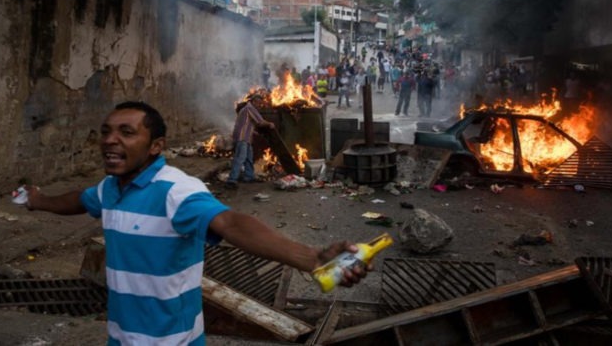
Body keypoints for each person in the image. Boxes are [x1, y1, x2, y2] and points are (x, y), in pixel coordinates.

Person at [23, 101, 368, 345]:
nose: (110, 140)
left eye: (126, 132)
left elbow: (232, 223)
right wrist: (38, 201)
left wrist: (310, 258)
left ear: (156, 146)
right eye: (106, 132)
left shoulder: (176, 191)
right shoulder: (110, 189)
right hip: (121, 337)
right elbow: (80, 200)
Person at [227, 94, 274, 188]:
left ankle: (249, 176)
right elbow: (260, 122)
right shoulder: (250, 108)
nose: (259, 105)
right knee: (240, 158)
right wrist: (270, 124)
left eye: (260, 103)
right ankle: (231, 180)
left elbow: (248, 124)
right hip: (242, 137)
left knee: (249, 157)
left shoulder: (246, 109)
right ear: (253, 101)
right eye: (258, 103)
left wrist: (254, 132)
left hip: (246, 137)